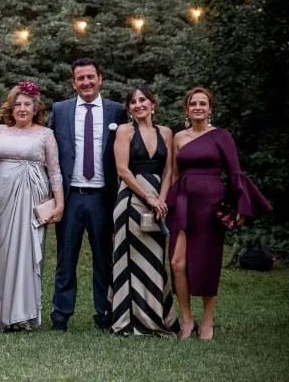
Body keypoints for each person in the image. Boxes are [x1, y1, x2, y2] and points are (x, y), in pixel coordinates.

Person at [167, 87, 272, 340]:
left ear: (210, 109)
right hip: (183, 202)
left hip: (210, 205)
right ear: (186, 109)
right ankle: (187, 321)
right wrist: (166, 201)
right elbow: (173, 174)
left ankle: (207, 322)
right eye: (193, 104)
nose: (198, 107)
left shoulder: (222, 136)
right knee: (176, 262)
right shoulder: (178, 137)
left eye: (203, 103)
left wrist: (242, 209)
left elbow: (235, 173)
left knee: (207, 263)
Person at [49, 58, 127, 332]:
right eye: (80, 78)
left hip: (103, 197)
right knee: (65, 257)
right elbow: (50, 152)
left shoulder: (117, 111)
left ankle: (105, 313)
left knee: (104, 258)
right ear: (73, 82)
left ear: (100, 79)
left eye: (90, 77)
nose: (86, 82)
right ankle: (60, 315)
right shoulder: (60, 110)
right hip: (70, 197)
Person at [0, 82, 64, 331]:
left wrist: (59, 204)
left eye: (27, 104)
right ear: (10, 107)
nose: (22, 108)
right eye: (17, 104)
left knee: (28, 254)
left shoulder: (45, 134)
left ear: (35, 107)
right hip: (2, 203)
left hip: (33, 202)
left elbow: (54, 171)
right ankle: (3, 315)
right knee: (1, 254)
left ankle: (24, 316)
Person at [109, 86, 179, 335]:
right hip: (131, 199)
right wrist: (148, 197)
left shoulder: (167, 133)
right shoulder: (125, 131)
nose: (138, 104)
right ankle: (128, 321)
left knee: (155, 259)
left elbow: (169, 170)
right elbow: (123, 170)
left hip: (159, 200)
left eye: (143, 100)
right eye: (133, 102)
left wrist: (161, 199)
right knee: (129, 259)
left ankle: (158, 317)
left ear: (152, 103)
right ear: (128, 108)